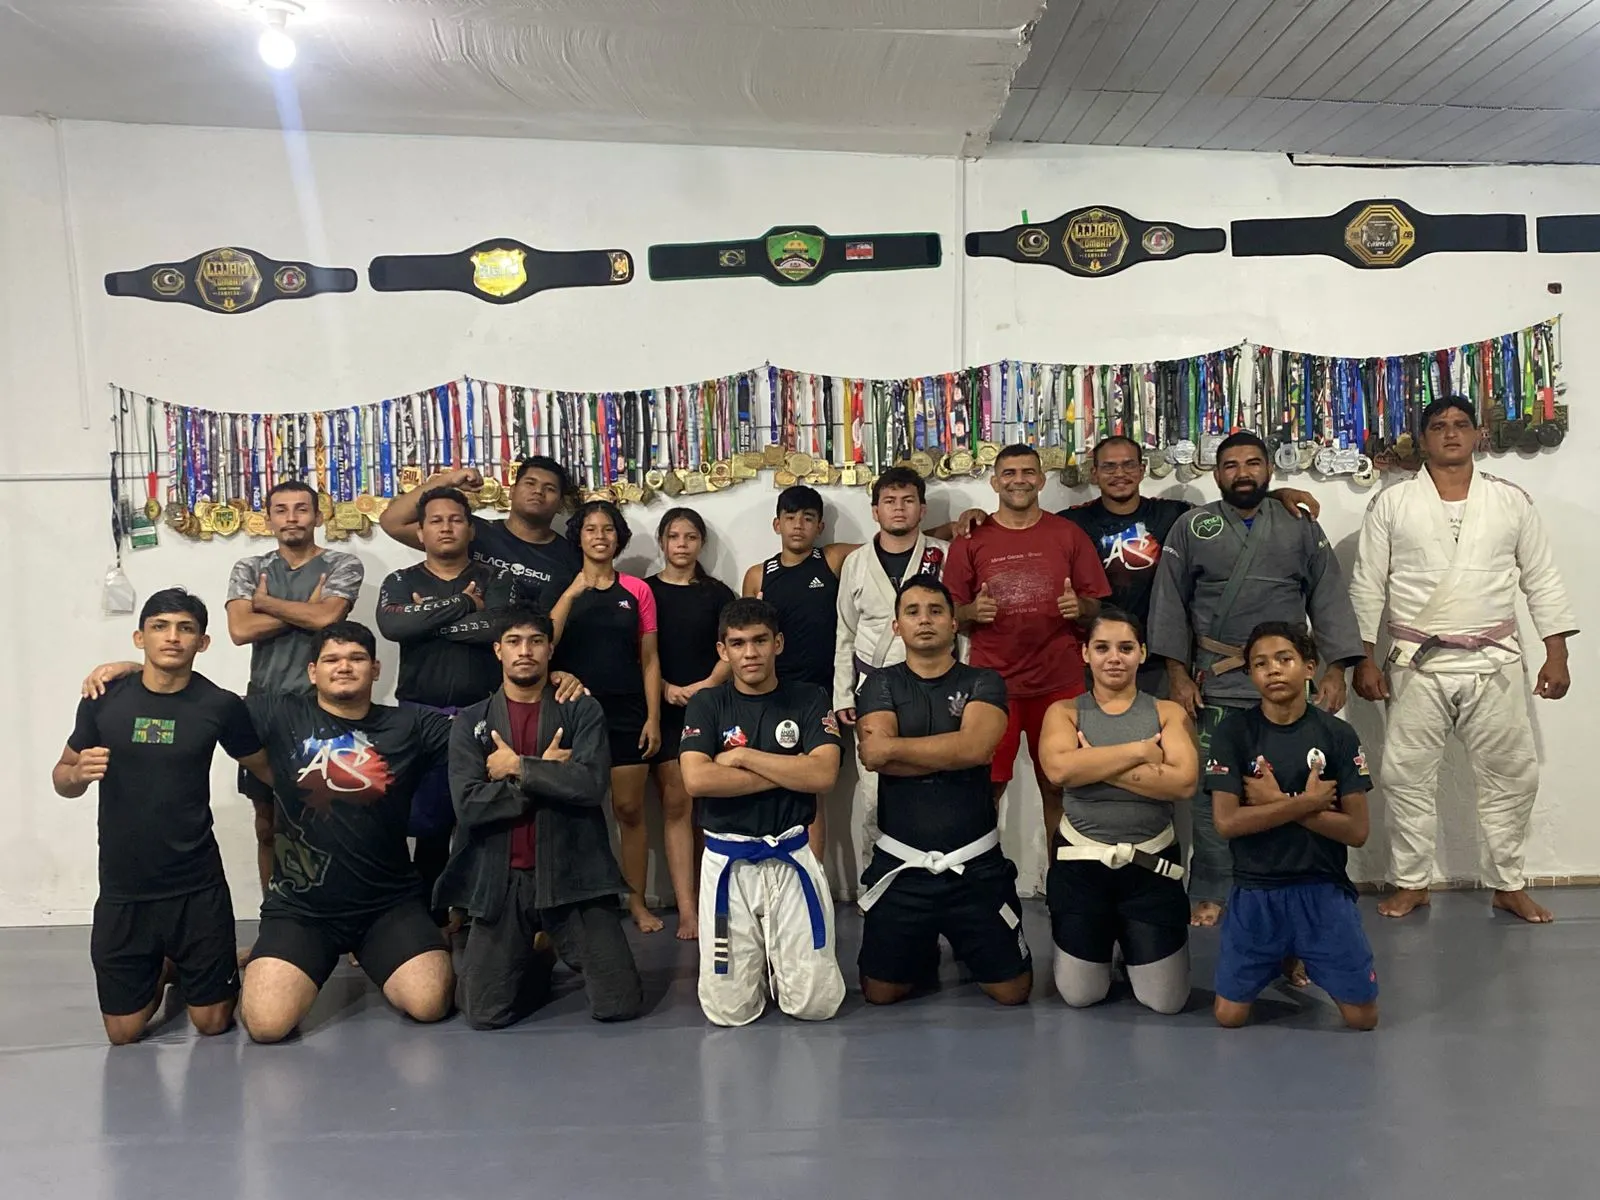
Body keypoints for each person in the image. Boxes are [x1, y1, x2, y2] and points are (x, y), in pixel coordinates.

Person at [1349, 396, 1577, 924]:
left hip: (1494, 659)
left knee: (1512, 776)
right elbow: (1367, 586)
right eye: (1438, 427)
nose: (1450, 434)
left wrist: (1557, 652)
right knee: (1405, 776)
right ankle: (1412, 882)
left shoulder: (1511, 501)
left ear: (1478, 435)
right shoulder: (1392, 504)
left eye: (1460, 425)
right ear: (1422, 440)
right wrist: (1363, 659)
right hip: (1415, 661)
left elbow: (1541, 577)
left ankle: (1507, 883)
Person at [1146, 431, 1364, 927]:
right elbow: (1169, 605)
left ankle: (1305, 886)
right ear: (1215, 473)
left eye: (1252, 463)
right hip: (1216, 682)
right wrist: (1179, 676)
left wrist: (1335, 669)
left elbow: (1327, 596)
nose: (1242, 472)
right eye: (1230, 465)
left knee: (1296, 787)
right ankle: (1213, 889)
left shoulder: (1298, 525)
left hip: (1288, 680)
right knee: (1214, 793)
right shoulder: (1192, 525)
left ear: (1269, 469)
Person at [54, 589, 271, 1045]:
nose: (172, 638)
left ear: (203, 643)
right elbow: (62, 777)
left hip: (197, 885)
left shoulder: (221, 706)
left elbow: (267, 769)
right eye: (160, 627)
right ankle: (167, 963)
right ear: (140, 637)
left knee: (212, 1023)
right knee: (123, 1034)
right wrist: (77, 774)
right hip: (124, 887)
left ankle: (180, 961)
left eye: (185, 629)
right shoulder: (103, 698)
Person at [240, 621, 456, 1043]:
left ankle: (373, 951)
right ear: (312, 672)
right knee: (267, 1026)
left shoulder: (409, 725)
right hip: (301, 909)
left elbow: (482, 727)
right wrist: (136, 674)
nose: (344, 667)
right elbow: (204, 704)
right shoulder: (279, 713)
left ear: (375, 669)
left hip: (388, 904)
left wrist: (553, 678)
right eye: (332, 659)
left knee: (429, 1004)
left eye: (356, 658)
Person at [742, 484, 981, 859]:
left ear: (820, 526)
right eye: (790, 519)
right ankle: (803, 873)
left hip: (826, 689)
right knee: (797, 786)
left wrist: (952, 527)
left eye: (807, 519)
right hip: (782, 690)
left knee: (830, 784)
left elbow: (891, 544)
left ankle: (825, 875)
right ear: (776, 524)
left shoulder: (835, 558)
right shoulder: (759, 574)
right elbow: (748, 632)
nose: (798, 527)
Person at [438, 606, 643, 1027]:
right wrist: (548, 774)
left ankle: (547, 945)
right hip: (504, 879)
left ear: (551, 649)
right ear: (498, 651)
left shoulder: (580, 710)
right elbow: (470, 806)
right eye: (513, 642)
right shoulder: (472, 722)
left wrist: (519, 768)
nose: (524, 651)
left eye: (535, 641)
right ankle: (533, 961)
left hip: (573, 874)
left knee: (618, 1005)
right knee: (483, 1014)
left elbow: (589, 786)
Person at [854, 579, 1030, 1005]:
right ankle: (922, 946)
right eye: (912, 612)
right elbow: (874, 758)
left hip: (975, 864)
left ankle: (967, 945)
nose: (924, 620)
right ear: (897, 626)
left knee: (1012, 992)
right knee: (880, 993)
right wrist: (952, 750)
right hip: (902, 862)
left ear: (955, 623)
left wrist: (898, 748)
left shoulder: (984, 680)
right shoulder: (878, 685)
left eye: (935, 610)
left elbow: (976, 748)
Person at [679, 598, 846, 1026]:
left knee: (816, 1006)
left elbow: (825, 774)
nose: (750, 653)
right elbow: (697, 781)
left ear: (779, 643)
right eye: (738, 644)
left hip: (791, 853)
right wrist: (794, 770)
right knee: (727, 1013)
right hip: (728, 860)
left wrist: (743, 757)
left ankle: (783, 964)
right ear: (723, 651)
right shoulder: (707, 704)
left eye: (759, 641)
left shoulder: (809, 697)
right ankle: (763, 965)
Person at [1204, 622, 1378, 1031]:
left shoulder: (1337, 735)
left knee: (1363, 1019)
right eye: (1260, 664)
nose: (1274, 670)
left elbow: (1357, 831)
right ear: (1250, 675)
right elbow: (1227, 822)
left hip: (1321, 888)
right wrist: (1309, 803)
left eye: (1285, 659)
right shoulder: (1233, 733)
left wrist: (1278, 803)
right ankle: (1282, 953)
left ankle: (1302, 950)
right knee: (1228, 1018)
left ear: (1309, 667)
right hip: (1256, 890)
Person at [942, 444, 1111, 843]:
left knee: (1058, 785)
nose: (1019, 480)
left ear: (1041, 479)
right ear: (995, 481)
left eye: (1028, 472)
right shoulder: (971, 538)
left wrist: (1080, 607)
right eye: (1010, 473)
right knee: (987, 788)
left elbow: (1096, 606)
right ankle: (981, 885)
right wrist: (969, 613)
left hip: (1059, 683)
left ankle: (1062, 888)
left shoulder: (1068, 534)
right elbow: (947, 611)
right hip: (991, 685)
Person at [1057, 436, 1318, 696]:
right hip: (1099, 656)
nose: (1120, 474)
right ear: (1094, 473)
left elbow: (1232, 508)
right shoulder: (1072, 523)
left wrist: (1275, 496)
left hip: (1159, 659)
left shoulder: (1175, 515)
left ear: (1142, 468)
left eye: (1128, 465)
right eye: (1109, 467)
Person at [1037, 610, 1197, 1015]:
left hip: (1151, 869)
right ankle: (1102, 940)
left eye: (1126, 648)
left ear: (1142, 654)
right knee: (1080, 996)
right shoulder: (1064, 712)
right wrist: (1140, 751)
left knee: (1165, 1002)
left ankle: (1130, 942)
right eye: (1102, 648)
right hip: (1081, 871)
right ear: (1085, 654)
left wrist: (1090, 763)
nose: (1114, 658)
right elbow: (1058, 771)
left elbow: (1183, 784)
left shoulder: (1167, 712)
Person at [376, 486, 517, 922]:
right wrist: (459, 604)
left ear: (470, 529)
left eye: (455, 519)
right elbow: (392, 625)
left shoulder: (497, 578)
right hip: (421, 715)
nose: (446, 527)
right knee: (430, 825)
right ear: (420, 531)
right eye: (436, 520)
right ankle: (429, 919)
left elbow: (496, 627)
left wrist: (430, 620)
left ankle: (481, 916)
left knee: (485, 822)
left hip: (485, 713)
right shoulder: (400, 580)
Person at [226, 479, 363, 895]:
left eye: (301, 509)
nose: (292, 518)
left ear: (319, 516)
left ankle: (344, 923)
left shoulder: (344, 564)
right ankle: (278, 924)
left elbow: (328, 621)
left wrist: (267, 603)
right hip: (261, 706)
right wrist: (306, 610)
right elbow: (240, 628)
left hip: (323, 708)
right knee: (268, 825)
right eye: (281, 509)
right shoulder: (249, 568)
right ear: (268, 519)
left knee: (333, 820)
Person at [550, 498, 664, 932]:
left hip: (627, 711)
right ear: (578, 536)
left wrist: (653, 717)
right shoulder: (562, 587)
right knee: (573, 811)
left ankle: (635, 903)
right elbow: (544, 642)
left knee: (629, 809)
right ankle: (578, 906)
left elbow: (650, 660)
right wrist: (572, 592)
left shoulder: (637, 590)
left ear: (619, 538)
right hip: (571, 713)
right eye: (591, 529)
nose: (600, 536)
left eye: (608, 529)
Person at [832, 467, 949, 854]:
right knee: (875, 790)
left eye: (908, 501)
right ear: (875, 511)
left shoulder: (943, 556)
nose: (899, 509)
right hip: (874, 687)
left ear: (922, 509)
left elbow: (959, 627)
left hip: (935, 684)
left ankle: (935, 876)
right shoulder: (856, 563)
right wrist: (843, 695)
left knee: (936, 783)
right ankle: (875, 883)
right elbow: (845, 633)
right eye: (889, 501)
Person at [646, 507, 735, 940]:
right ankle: (687, 910)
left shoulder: (718, 594)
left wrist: (704, 686)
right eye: (674, 536)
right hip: (662, 708)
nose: (682, 545)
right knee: (677, 806)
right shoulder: (643, 593)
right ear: (662, 542)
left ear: (701, 543)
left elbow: (733, 648)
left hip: (713, 706)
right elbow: (636, 652)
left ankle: (718, 898)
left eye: (691, 537)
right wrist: (664, 688)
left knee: (714, 806)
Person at [378, 454, 580, 614]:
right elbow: (392, 522)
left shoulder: (571, 557)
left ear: (561, 502)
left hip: (525, 658)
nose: (538, 491)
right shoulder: (470, 532)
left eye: (549, 488)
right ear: (512, 490)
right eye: (530, 483)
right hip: (459, 652)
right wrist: (448, 480)